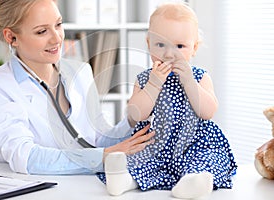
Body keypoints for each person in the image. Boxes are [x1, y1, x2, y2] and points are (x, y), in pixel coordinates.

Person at [0, 0, 155, 175]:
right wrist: (102, 158)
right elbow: (26, 156)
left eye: (58, 24)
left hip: (86, 188)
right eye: (42, 31)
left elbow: (98, 138)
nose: (56, 38)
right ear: (11, 37)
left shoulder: (81, 71)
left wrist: (132, 119)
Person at [100, 2, 237, 199]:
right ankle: (124, 180)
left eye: (180, 46)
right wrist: (154, 85)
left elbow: (208, 112)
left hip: (194, 143)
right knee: (140, 160)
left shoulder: (199, 76)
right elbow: (136, 114)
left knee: (207, 159)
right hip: (157, 142)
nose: (169, 54)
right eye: (160, 45)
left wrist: (189, 82)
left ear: (194, 48)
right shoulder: (146, 78)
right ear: (148, 44)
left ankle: (193, 181)